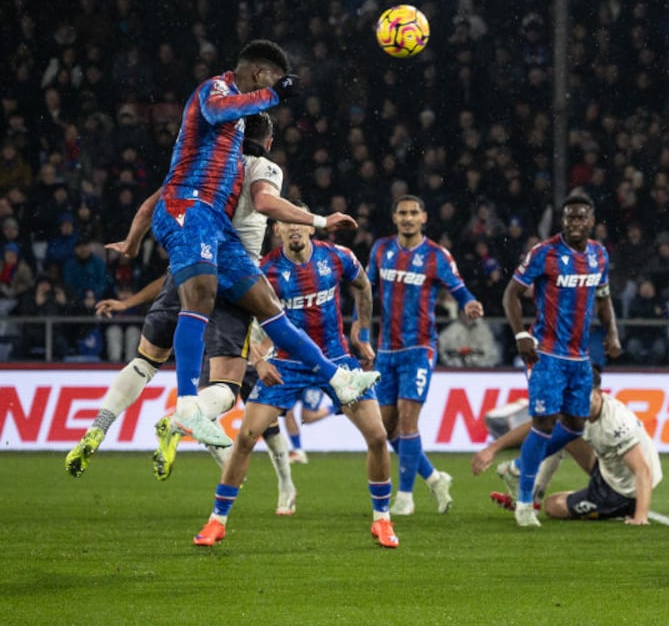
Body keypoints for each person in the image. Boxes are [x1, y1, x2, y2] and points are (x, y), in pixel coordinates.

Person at [65, 113, 345, 491]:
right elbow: (264, 201)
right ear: (270, 141)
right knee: (229, 385)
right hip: (235, 276)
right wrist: (322, 220)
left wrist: (132, 243)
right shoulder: (263, 167)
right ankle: (180, 419)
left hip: (189, 265)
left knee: (146, 361)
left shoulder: (202, 166)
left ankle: (98, 427)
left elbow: (152, 204)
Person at [148, 39, 376, 447]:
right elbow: (219, 111)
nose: (272, 94)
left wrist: (132, 239)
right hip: (189, 206)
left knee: (267, 304)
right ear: (257, 74)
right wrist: (273, 93)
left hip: (215, 221)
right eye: (271, 79)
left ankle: (338, 379)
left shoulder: (241, 130)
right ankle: (186, 406)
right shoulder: (215, 89)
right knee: (200, 295)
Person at [194, 211, 396, 547]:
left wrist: (362, 330)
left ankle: (382, 520)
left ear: (310, 227)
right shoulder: (264, 270)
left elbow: (363, 285)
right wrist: (258, 362)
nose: (294, 229)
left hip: (336, 359)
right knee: (245, 437)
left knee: (377, 435)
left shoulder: (337, 257)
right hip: (286, 362)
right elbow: (242, 321)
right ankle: (217, 521)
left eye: (299, 223)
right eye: (286, 224)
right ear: (277, 230)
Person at [503, 193, 622, 527]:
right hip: (547, 354)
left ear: (591, 221)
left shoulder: (599, 255)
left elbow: (604, 297)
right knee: (543, 423)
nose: (574, 223)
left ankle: (517, 468)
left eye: (581, 217)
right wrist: (520, 336)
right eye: (569, 217)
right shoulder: (545, 253)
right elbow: (510, 294)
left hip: (580, 357)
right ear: (563, 221)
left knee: (574, 426)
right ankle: (525, 504)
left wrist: (612, 332)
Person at [367, 195, 483, 516]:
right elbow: (365, 292)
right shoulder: (380, 250)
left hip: (419, 349)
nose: (407, 218)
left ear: (424, 218)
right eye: (402, 212)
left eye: (413, 213)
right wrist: (362, 335)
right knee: (386, 430)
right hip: (386, 350)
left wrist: (469, 303)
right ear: (394, 218)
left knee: (407, 421)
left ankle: (405, 497)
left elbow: (459, 288)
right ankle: (433, 477)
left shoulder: (436, 255)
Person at [482, 368, 660, 524]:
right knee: (562, 431)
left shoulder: (617, 423)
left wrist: (641, 516)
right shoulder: (577, 407)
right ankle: (531, 500)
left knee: (553, 506)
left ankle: (621, 508)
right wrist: (493, 448)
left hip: (623, 492)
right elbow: (538, 425)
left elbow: (643, 470)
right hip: (607, 469)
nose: (581, 403)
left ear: (599, 393)